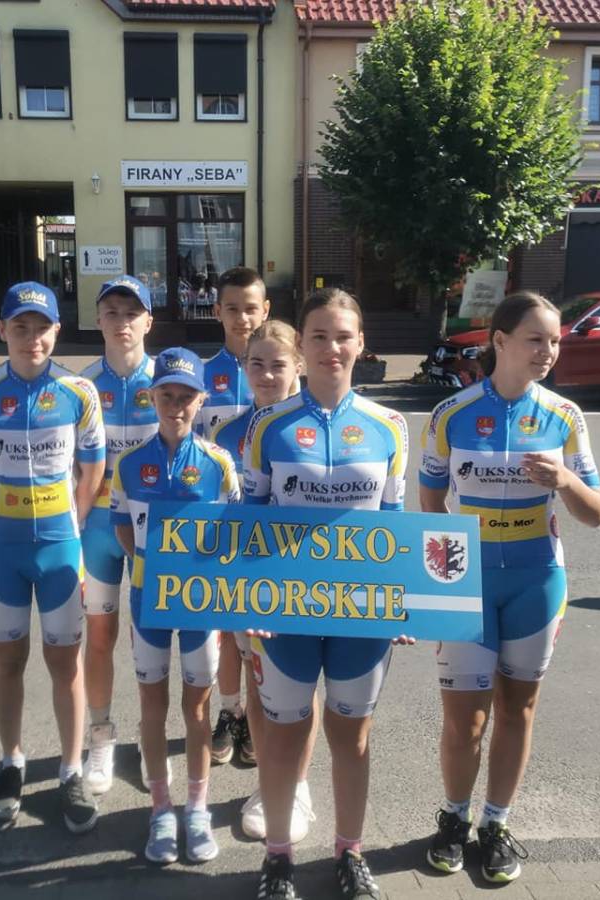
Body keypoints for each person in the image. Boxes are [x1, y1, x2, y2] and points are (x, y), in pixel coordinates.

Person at [419, 291, 600, 883]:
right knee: (465, 720)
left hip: (537, 579)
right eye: (536, 340)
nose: (548, 351)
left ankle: (496, 823)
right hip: (467, 581)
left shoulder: (564, 415)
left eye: (555, 341)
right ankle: (454, 818)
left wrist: (565, 481)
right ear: (499, 341)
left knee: (517, 710)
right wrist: (443, 574)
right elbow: (430, 501)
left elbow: (597, 513)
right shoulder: (451, 414)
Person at [243, 288, 409, 900]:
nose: (331, 348)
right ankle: (278, 857)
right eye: (319, 336)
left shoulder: (390, 426)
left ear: (361, 344)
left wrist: (402, 602)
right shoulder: (268, 425)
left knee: (352, 738)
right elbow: (248, 520)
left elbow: (394, 524)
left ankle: (350, 852)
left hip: (360, 613)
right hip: (285, 611)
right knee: (283, 737)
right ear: (303, 346)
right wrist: (246, 602)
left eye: (343, 336)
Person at [0, 281, 105, 833]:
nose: (32, 338)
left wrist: (73, 518)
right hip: (4, 548)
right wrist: (3, 510)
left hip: (62, 547)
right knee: (7, 660)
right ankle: (12, 764)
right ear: (2, 330)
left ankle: (71, 770)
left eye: (42, 328)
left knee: (66, 664)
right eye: (20, 327)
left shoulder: (78, 392)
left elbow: (93, 468)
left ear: (57, 331)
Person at [111, 347, 240, 865]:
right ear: (151, 396)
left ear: (202, 400)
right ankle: (161, 808)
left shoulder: (219, 463)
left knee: (198, 707)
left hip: (200, 606)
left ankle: (197, 807)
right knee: (152, 704)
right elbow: (123, 528)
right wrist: (150, 568)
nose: (176, 405)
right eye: (166, 394)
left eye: (187, 396)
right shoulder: (129, 463)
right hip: (148, 602)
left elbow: (235, 533)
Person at [211, 321, 318, 844]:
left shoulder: (318, 424)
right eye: (257, 364)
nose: (268, 374)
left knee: (303, 684)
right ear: (243, 366)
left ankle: (298, 786)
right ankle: (267, 784)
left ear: (300, 365)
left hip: (309, 578)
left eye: (279, 364)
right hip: (249, 578)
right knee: (258, 681)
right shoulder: (225, 435)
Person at [80, 276, 158, 795]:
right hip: (98, 531)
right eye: (111, 312)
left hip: (154, 532)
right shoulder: (82, 385)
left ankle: (152, 739)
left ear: (148, 321)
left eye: (132, 313)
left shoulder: (170, 380)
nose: (121, 322)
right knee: (100, 636)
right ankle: (101, 736)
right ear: (98, 320)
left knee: (153, 638)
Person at [201, 266, 270, 770]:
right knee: (225, 628)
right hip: (221, 521)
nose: (242, 318)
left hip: (271, 527)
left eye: (251, 308)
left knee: (262, 632)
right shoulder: (202, 376)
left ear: (266, 310)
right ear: (217, 312)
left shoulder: (281, 368)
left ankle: (261, 716)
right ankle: (230, 713)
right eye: (232, 308)